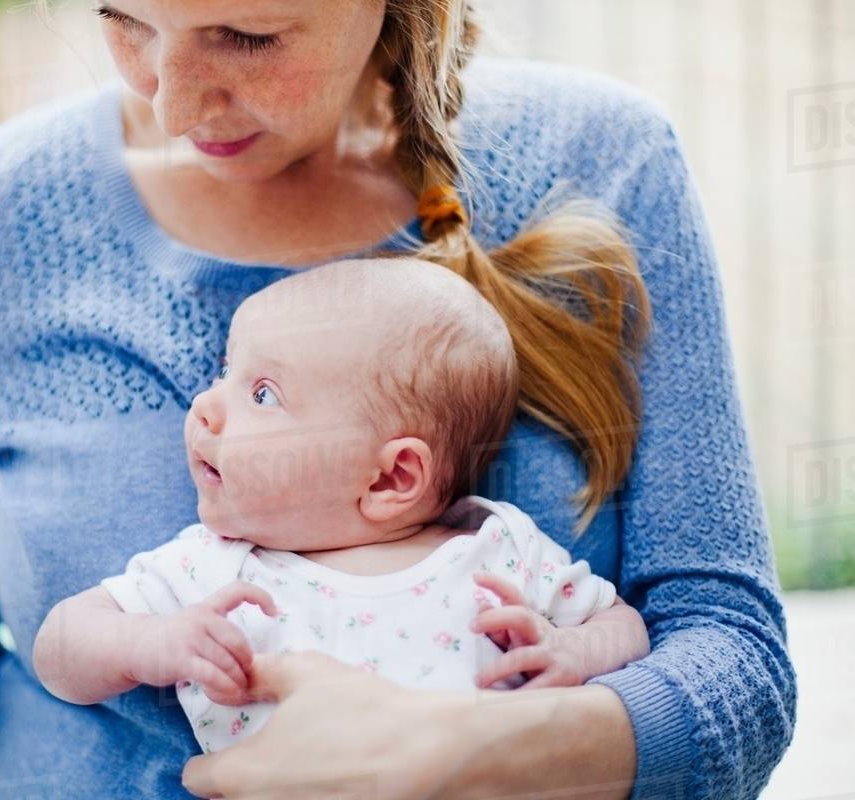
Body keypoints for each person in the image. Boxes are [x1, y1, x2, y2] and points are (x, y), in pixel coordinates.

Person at [0, 1, 796, 798]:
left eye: (247, 36)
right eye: (124, 23)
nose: (167, 102)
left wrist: (471, 751)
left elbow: (737, 666)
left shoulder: (601, 162)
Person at [33, 257, 652, 755]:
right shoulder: (219, 570)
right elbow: (59, 647)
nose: (206, 405)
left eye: (263, 393)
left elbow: (624, 626)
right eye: (224, 372)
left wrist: (572, 653)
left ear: (390, 478)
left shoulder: (496, 552)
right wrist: (150, 643)